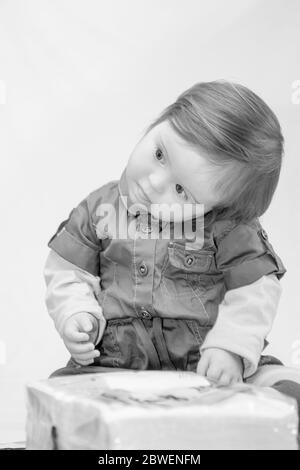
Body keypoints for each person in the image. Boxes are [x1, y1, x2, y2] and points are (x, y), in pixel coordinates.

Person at [44, 81, 300, 428]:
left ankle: (272, 411)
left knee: (273, 384)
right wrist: (75, 312)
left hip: (206, 368)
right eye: (160, 154)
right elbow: (68, 270)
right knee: (62, 394)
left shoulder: (228, 228)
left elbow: (256, 289)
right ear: (157, 123)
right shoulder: (98, 211)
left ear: (219, 206)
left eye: (181, 190)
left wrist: (231, 347)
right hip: (118, 364)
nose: (154, 182)